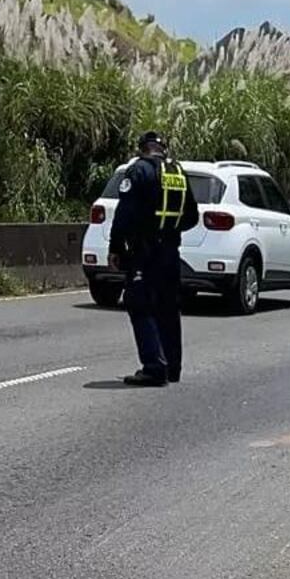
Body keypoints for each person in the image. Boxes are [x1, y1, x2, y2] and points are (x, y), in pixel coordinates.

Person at [108, 131, 199, 387]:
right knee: (169, 308)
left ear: (141, 149)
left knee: (139, 303)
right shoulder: (177, 172)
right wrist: (170, 230)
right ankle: (173, 368)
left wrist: (116, 246)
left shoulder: (139, 171)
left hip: (144, 252)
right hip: (171, 252)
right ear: (163, 149)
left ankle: (154, 367)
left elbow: (124, 212)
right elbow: (192, 215)